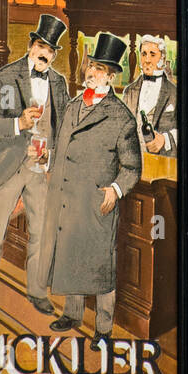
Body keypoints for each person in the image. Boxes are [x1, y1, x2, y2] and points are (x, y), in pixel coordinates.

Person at [44, 32, 141, 349]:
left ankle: (103, 328)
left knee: (100, 265)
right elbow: (60, 147)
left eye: (100, 68)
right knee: (72, 253)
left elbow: (132, 168)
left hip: (98, 200)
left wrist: (115, 190)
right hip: (69, 198)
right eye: (91, 66)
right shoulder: (73, 106)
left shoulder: (121, 117)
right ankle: (72, 315)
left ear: (111, 76)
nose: (91, 72)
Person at [0, 14, 69, 314]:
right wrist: (19, 122)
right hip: (8, 166)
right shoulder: (5, 77)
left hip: (41, 171)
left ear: (54, 55)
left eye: (50, 50)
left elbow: (63, 129)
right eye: (40, 45)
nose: (44, 53)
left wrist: (50, 157)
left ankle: (37, 292)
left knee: (41, 233)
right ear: (30, 46)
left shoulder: (59, 82)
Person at [122, 33, 177, 160]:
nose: (147, 60)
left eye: (152, 55)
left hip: (161, 163)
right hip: (132, 162)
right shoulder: (129, 92)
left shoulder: (174, 93)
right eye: (144, 54)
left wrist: (165, 139)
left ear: (162, 59)